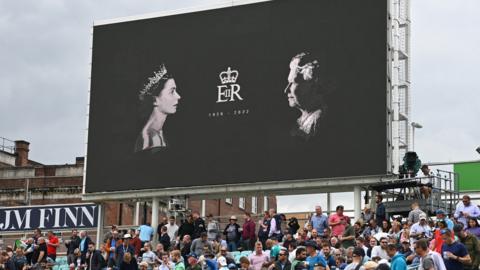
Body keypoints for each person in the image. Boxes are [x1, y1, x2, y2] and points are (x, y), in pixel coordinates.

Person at [135, 63, 181, 152]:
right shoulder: (150, 139)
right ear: (155, 100)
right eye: (172, 92)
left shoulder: (158, 132)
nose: (178, 96)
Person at [284, 51, 328, 140]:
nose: (286, 90)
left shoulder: (318, 121)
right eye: (289, 83)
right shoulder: (302, 120)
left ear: (313, 86)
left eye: (293, 82)